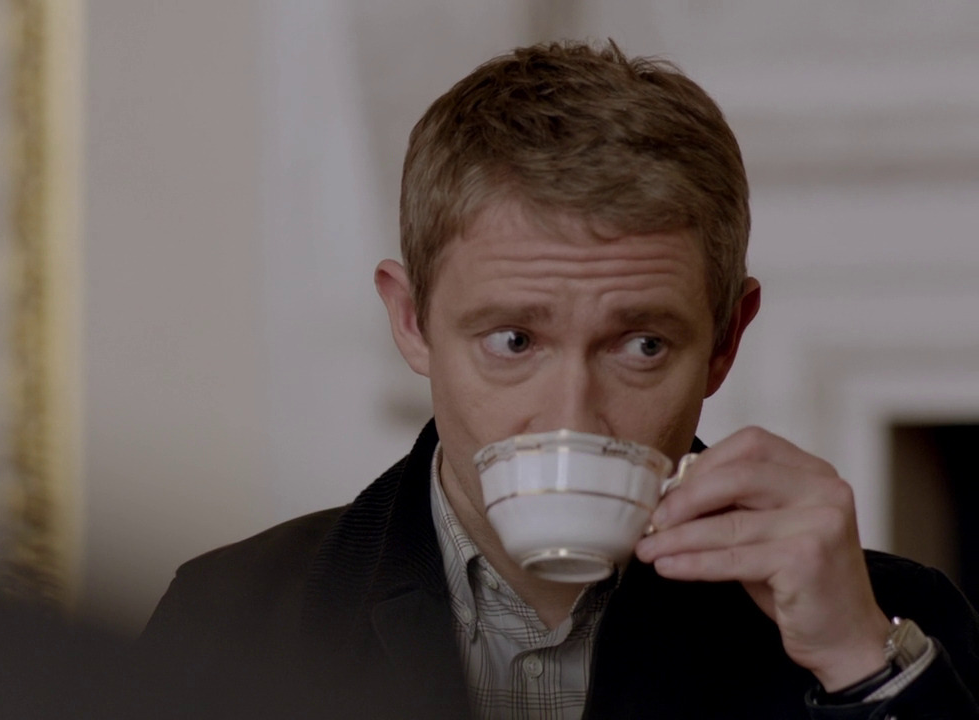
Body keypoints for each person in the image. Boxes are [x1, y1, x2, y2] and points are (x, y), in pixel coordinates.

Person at [130, 41, 979, 719]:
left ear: (726, 341)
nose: (572, 418)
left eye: (641, 345)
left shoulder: (886, 625)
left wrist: (862, 667)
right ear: (411, 322)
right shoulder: (228, 622)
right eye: (513, 340)